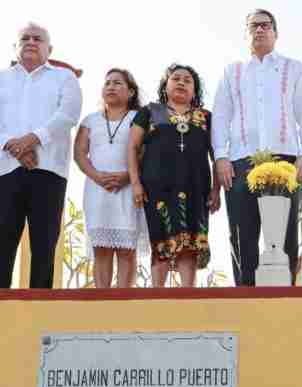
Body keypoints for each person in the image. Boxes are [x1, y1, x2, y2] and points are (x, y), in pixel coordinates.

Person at [212, 9, 302, 286]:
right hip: (240, 161)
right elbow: (220, 116)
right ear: (246, 33)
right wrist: (221, 157)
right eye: (253, 26)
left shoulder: (294, 68)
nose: (259, 30)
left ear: (275, 32)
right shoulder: (232, 71)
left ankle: (287, 294)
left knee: (285, 235)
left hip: (285, 160)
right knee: (241, 234)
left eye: (265, 25)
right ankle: (244, 295)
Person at [0, 22, 82, 288]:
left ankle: (40, 303)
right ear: (15, 46)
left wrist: (31, 140)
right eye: (25, 38)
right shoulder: (2, 78)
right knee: (2, 241)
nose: (31, 42)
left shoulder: (64, 78)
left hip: (49, 170)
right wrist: (14, 147)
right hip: (5, 170)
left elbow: (67, 115)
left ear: (50, 49)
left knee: (45, 244)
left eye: (38, 38)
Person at [128, 64, 220, 288]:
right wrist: (136, 183)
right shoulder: (150, 112)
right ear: (165, 85)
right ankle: (157, 298)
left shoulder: (206, 117)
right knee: (161, 244)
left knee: (189, 245)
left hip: (196, 188)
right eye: (176, 78)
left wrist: (216, 189)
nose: (181, 83)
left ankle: (187, 298)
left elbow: (217, 155)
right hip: (157, 188)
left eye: (187, 80)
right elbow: (132, 147)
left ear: (195, 90)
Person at [74, 68, 147, 287]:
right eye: (107, 83)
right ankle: (102, 301)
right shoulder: (90, 120)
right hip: (98, 190)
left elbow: (145, 152)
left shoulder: (139, 118)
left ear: (131, 92)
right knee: (101, 249)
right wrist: (97, 176)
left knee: (127, 249)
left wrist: (128, 177)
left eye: (117, 83)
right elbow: (79, 154)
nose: (111, 87)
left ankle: (124, 301)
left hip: (129, 189)